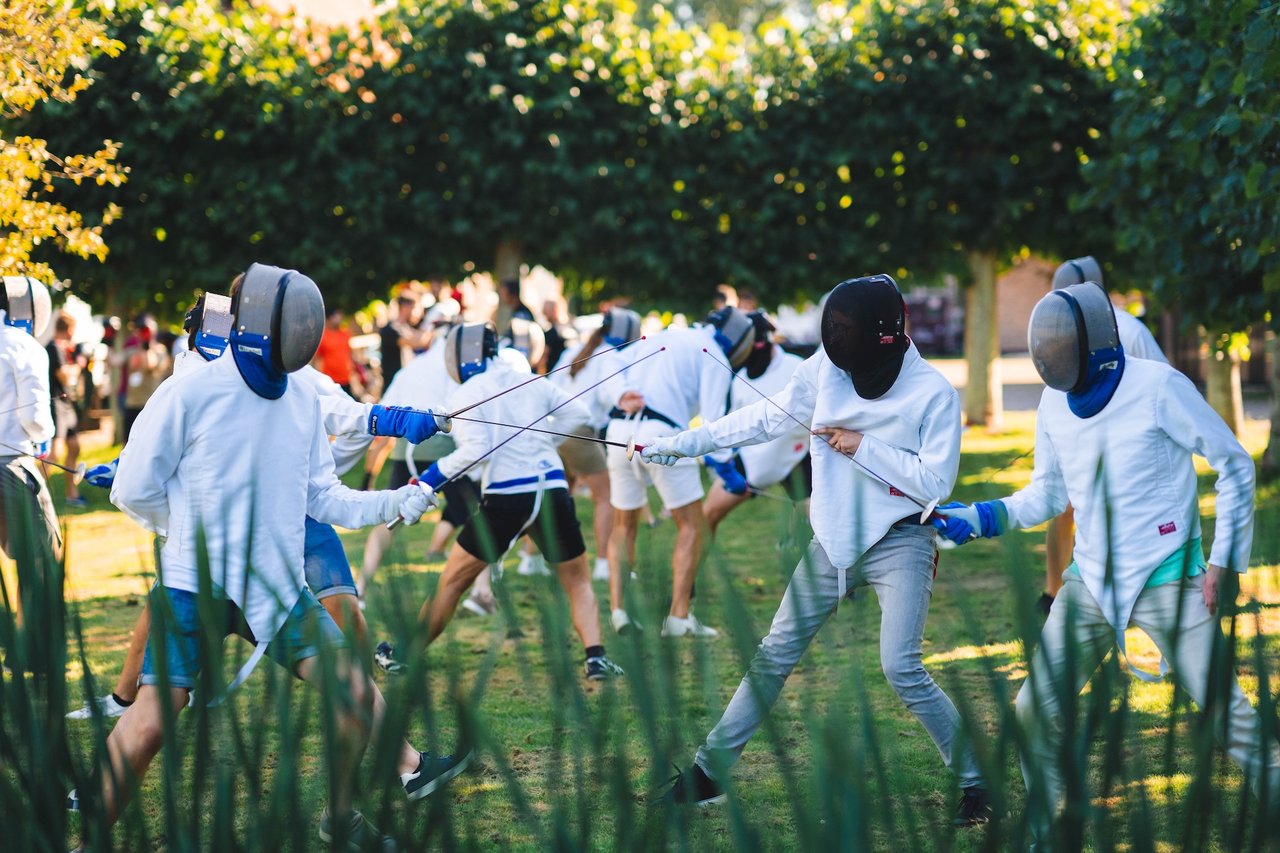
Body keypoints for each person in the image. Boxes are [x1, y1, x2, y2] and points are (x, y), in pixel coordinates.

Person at [74, 265, 444, 851]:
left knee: (353, 693)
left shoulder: (302, 396)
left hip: (276, 588)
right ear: (257, 321)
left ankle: (342, 820)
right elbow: (134, 487)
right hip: (193, 587)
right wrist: (196, 532)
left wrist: (398, 501)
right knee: (148, 726)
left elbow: (321, 496)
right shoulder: (191, 389)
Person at [934, 281, 1278, 846]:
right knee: (1033, 713)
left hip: (1168, 578)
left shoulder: (1160, 386)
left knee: (1231, 718)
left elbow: (1234, 462)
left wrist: (1223, 562)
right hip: (1090, 583)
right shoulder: (1053, 399)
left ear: (1095, 344)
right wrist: (980, 516)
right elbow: (1048, 493)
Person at [642, 275, 991, 825]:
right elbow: (762, 418)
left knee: (901, 667)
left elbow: (935, 483)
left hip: (900, 540)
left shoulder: (933, 393)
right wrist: (682, 443)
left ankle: (976, 780)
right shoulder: (826, 368)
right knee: (773, 654)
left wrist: (862, 447)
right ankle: (708, 775)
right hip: (831, 540)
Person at [386, 322, 623, 681]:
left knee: (451, 581)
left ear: (463, 355)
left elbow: (475, 451)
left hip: (508, 496)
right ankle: (595, 658)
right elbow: (581, 415)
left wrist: (428, 481)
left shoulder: (470, 392)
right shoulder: (531, 381)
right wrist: (543, 445)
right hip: (552, 489)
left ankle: (402, 654)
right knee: (577, 580)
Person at [603, 306, 757, 637]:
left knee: (623, 524)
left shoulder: (667, 332)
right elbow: (715, 423)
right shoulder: (713, 352)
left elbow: (611, 360)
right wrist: (727, 467)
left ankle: (619, 611)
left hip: (618, 433)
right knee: (693, 526)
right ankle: (679, 616)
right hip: (662, 436)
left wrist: (618, 394)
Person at [1039, 257, 1169, 616]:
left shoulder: (1129, 329)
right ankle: (1054, 593)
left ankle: (1126, 588)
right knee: (1062, 507)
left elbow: (1163, 383)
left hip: (1125, 444)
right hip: (1079, 436)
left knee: (1093, 510)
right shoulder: (1066, 329)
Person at [550, 307, 642, 582]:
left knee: (555, 494)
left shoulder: (576, 350)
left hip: (553, 430)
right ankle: (603, 563)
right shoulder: (611, 357)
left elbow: (551, 383)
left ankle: (531, 560)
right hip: (579, 431)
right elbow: (611, 394)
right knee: (607, 497)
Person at [702, 312, 811, 537]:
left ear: (760, 341)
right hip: (753, 460)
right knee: (708, 515)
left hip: (798, 457)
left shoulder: (797, 368)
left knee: (820, 531)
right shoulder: (739, 378)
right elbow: (733, 422)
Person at [0, 276, 59, 675]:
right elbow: (35, 418)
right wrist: (46, 437)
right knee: (43, 558)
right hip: (11, 465)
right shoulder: (23, 346)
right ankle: (31, 655)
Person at [46, 312, 86, 506]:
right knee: (55, 452)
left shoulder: (64, 348)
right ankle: (33, 494)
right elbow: (64, 377)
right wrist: (78, 366)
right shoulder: (54, 348)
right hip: (56, 404)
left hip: (67, 405)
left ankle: (72, 494)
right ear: (69, 328)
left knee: (74, 447)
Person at [121, 314, 171, 441]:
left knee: (148, 441)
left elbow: (150, 364)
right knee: (127, 441)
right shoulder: (132, 350)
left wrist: (146, 346)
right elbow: (116, 361)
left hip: (150, 403)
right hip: (132, 403)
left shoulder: (160, 350)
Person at [379, 292, 428, 389]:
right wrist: (433, 331)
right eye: (414, 308)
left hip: (403, 383)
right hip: (393, 385)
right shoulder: (389, 330)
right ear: (405, 308)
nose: (417, 313)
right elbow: (415, 343)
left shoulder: (406, 328)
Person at [314, 305, 356, 396]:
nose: (340, 317)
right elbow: (317, 359)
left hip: (346, 379)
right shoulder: (322, 336)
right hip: (330, 381)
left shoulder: (346, 334)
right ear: (329, 318)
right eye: (337, 315)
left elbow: (350, 355)